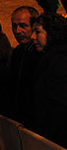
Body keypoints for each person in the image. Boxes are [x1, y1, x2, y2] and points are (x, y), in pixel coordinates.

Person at [29, 12, 67, 147]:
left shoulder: (59, 61)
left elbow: (58, 106)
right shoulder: (48, 59)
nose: (32, 37)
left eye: (37, 32)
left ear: (52, 33)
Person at [9, 5, 41, 126]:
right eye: (14, 26)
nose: (17, 31)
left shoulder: (41, 53)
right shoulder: (17, 53)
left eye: (23, 26)